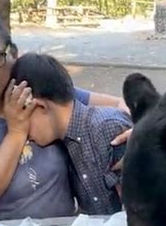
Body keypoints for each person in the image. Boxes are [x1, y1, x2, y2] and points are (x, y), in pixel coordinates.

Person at [0, 8, 130, 222]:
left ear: (13, 53)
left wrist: (141, 129)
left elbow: (121, 104)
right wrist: (17, 132)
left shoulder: (36, 90)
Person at [11, 53, 132, 214]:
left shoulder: (108, 129)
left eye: (21, 118)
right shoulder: (66, 142)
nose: (24, 133)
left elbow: (142, 210)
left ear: (39, 106)